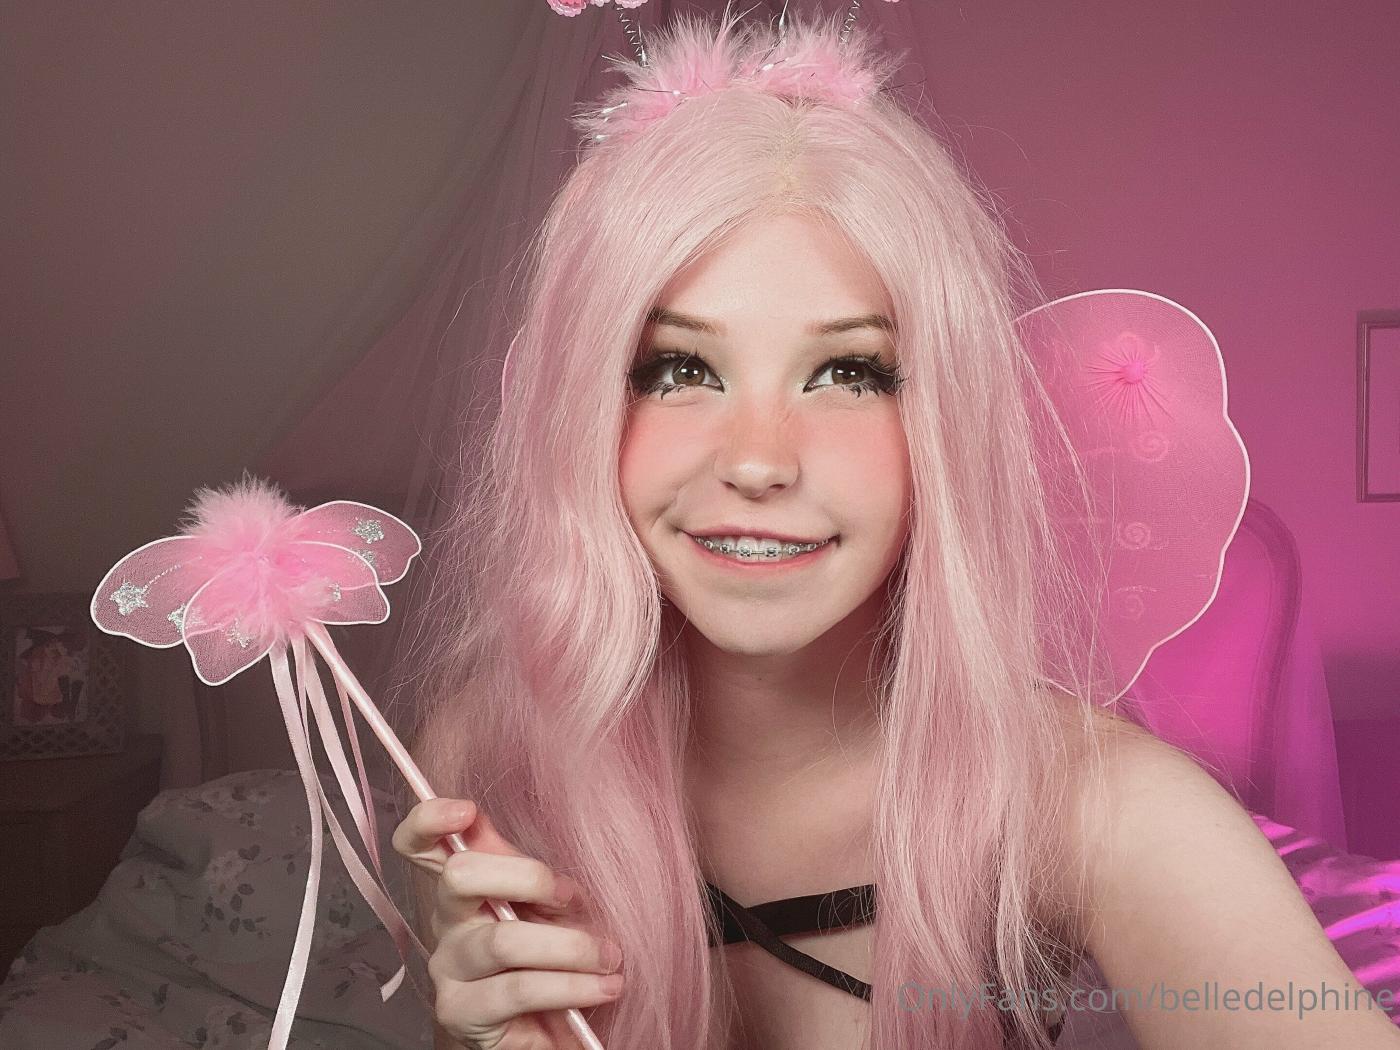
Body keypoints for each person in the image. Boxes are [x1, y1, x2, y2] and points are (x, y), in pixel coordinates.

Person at [389, 9, 1400, 1050]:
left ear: (946, 426)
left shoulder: (1098, 808)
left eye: (848, 372)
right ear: (582, 411)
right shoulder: (484, 761)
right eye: (678, 369)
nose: (757, 460)